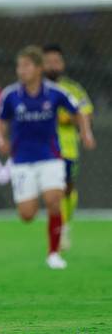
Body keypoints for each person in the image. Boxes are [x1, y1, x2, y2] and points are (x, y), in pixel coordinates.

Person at [0, 45, 95, 270]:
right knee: (27, 214)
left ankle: (54, 253)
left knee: (53, 200)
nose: (21, 70)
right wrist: (1, 139)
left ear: (38, 68)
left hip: (50, 156)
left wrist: (86, 132)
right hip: (22, 160)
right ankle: (36, 194)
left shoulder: (56, 93)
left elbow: (79, 111)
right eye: (19, 66)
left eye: (26, 66)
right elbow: (0, 119)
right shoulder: (11, 95)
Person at [42, 44, 96, 250]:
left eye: (57, 61)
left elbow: (86, 113)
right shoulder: (34, 90)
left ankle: (63, 225)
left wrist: (73, 121)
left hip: (67, 148)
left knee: (66, 189)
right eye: (49, 62)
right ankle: (59, 227)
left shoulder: (72, 89)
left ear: (63, 64)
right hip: (41, 148)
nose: (53, 66)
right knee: (52, 191)